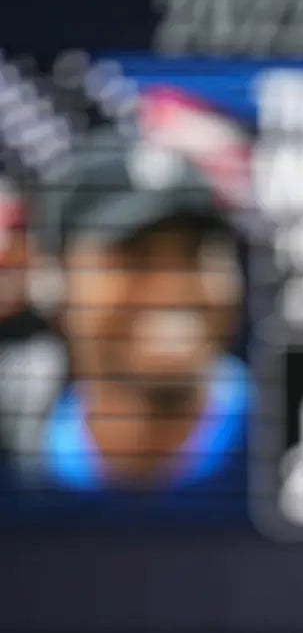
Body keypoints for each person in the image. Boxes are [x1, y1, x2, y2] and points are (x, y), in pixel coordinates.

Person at [24, 130, 251, 519]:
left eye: (197, 253)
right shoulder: (21, 456)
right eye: (133, 257)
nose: (172, 290)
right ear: (54, 285)